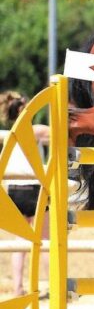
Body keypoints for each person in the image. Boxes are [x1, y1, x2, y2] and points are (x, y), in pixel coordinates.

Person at [0, 91, 50, 297]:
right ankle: (53, 285)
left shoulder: (8, 134)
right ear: (22, 109)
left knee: (20, 244)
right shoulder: (35, 131)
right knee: (46, 241)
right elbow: (62, 132)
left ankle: (18, 288)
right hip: (35, 190)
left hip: (14, 191)